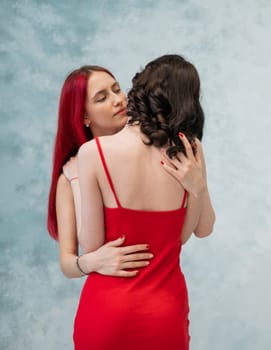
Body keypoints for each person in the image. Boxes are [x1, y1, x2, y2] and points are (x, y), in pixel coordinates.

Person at [73, 54, 215, 349]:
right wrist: (197, 188)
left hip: (106, 309)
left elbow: (93, 245)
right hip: (165, 312)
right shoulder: (190, 149)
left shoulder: (93, 152)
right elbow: (198, 231)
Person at [47, 66, 153, 278]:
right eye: (102, 98)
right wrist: (91, 261)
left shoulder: (150, 151)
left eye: (117, 89)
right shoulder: (70, 176)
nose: (118, 100)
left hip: (160, 287)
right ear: (84, 116)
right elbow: (67, 263)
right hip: (107, 294)